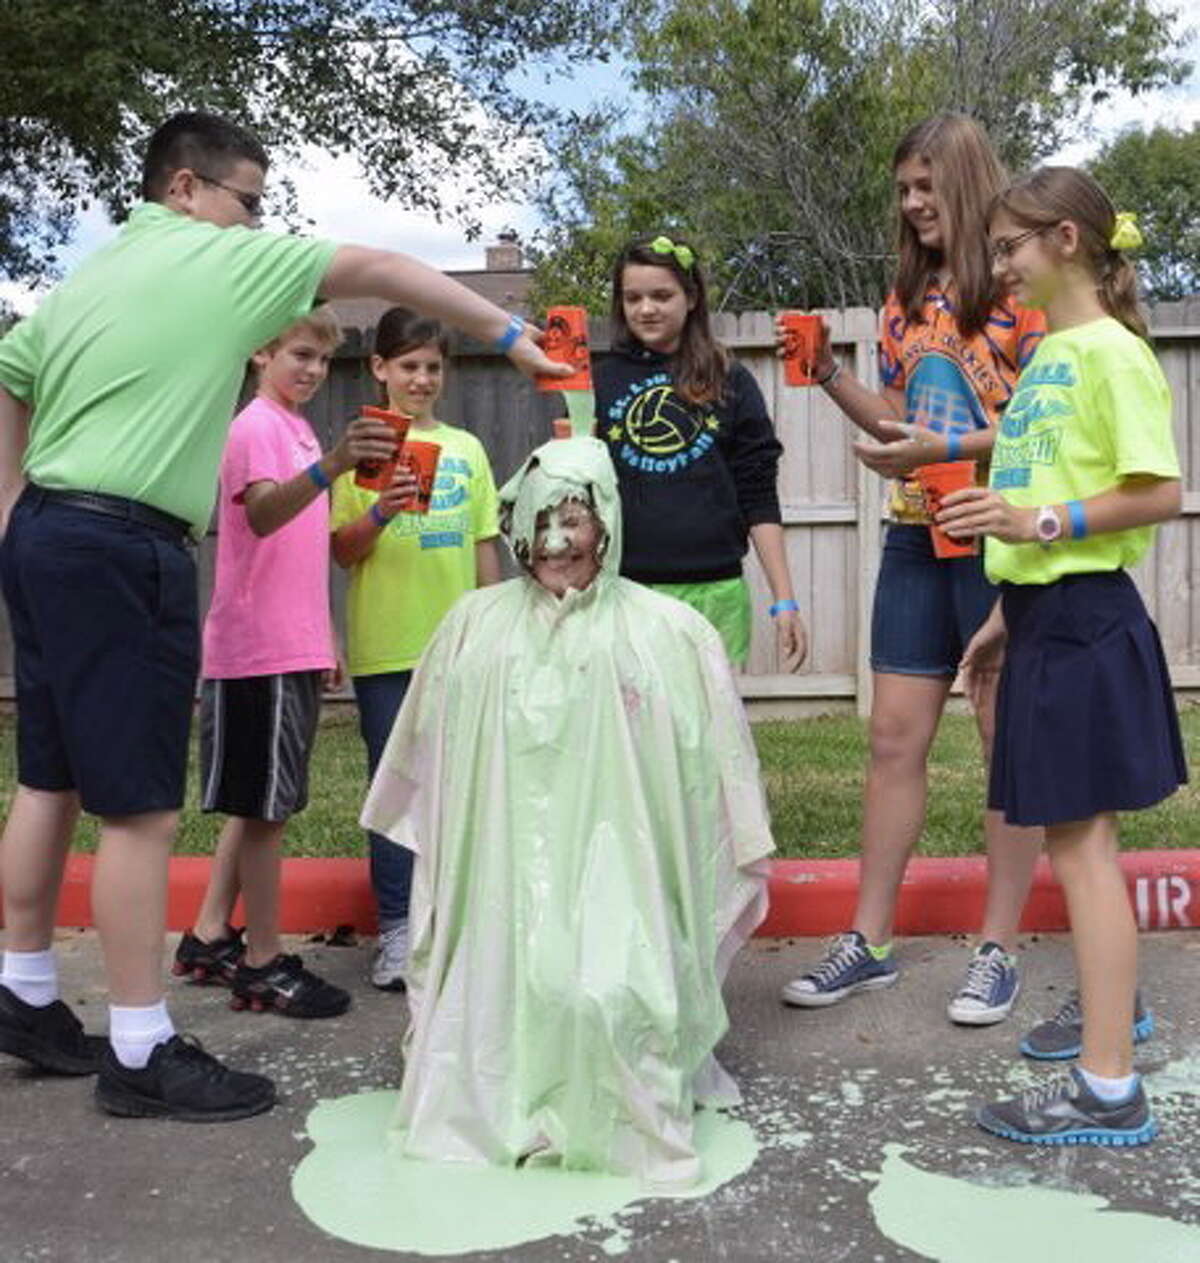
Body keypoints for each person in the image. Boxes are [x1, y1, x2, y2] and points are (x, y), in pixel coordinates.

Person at [0, 110, 568, 1123]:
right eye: (248, 201)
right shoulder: (220, 263)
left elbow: (11, 376)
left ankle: (25, 990)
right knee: (137, 810)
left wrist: (13, 512)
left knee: (47, 779)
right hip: (126, 544)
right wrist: (509, 332)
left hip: (46, 535)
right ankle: (141, 1048)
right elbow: (386, 267)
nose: (259, 222)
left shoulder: (89, 275)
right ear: (184, 188)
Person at [360, 436, 773, 1187]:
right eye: (540, 519)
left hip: (622, 888)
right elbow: (429, 766)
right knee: (488, 1020)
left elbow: (709, 777)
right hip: (499, 892)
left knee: (609, 999)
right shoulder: (472, 628)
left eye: (574, 518)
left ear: (607, 524)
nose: (555, 540)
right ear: (515, 526)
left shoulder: (667, 634)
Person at [778, 113, 1046, 1025]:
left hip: (999, 532)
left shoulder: (1020, 291)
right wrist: (825, 376)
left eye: (927, 185)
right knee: (893, 741)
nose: (913, 202)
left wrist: (947, 444)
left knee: (1005, 743)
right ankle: (870, 940)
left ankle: (998, 947)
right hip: (911, 533)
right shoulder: (903, 300)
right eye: (902, 189)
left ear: (967, 181)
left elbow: (1044, 425)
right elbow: (897, 418)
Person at [937, 168, 1183, 1146]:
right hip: (1046, 617)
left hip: (1087, 622)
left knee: (1084, 852)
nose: (1000, 264)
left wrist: (1038, 521)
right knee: (1081, 850)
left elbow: (1156, 491)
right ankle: (1113, 1017)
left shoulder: (1114, 356)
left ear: (1068, 241)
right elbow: (1044, 481)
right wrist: (1006, 608)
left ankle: (1109, 1087)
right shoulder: (1049, 357)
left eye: (1011, 246)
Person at [172, 306, 374, 1019]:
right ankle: (260, 960)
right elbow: (261, 516)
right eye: (300, 355)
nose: (313, 370)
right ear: (260, 352)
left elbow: (299, 552)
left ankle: (204, 935)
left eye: (321, 360)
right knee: (267, 811)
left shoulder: (295, 427)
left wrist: (322, 640)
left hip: (289, 644)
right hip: (255, 648)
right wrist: (335, 464)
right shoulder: (256, 427)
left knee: (262, 801)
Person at [331, 307, 501, 991]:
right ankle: (398, 927)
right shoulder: (361, 449)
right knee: (395, 786)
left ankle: (459, 922)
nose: (422, 378)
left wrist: (495, 630)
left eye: (433, 366)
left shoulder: (466, 450)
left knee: (466, 785)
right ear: (380, 369)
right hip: (386, 650)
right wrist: (382, 509)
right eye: (408, 366)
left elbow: (485, 545)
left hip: (460, 646)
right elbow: (342, 551)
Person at [593, 234, 806, 674]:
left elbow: (759, 495)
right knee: (636, 736)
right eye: (632, 297)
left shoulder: (730, 379)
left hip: (716, 592)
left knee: (711, 736)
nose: (646, 308)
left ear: (691, 298)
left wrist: (784, 598)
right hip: (626, 592)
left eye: (661, 295)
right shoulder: (600, 380)